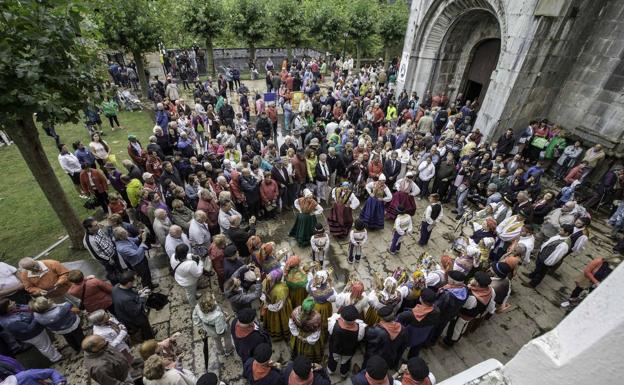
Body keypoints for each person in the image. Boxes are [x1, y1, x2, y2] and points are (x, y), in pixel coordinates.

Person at [443, 271, 496, 346]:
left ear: (477, 284)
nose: (473, 279)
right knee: (462, 326)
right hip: (472, 314)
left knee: (455, 328)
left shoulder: (473, 298)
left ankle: (450, 341)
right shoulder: (489, 290)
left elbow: (462, 305)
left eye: (475, 279)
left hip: (464, 315)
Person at [522, 224, 574, 288]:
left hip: (546, 261)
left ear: (566, 233)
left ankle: (533, 284)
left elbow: (556, 256)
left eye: (561, 230)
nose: (559, 230)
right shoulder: (559, 235)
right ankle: (532, 275)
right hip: (542, 255)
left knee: (540, 273)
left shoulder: (564, 244)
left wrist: (547, 263)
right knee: (537, 268)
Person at [193, 293, 234, 370]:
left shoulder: (198, 307)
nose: (214, 297)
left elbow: (195, 318)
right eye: (213, 298)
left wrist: (201, 326)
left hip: (210, 331)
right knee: (227, 337)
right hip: (220, 329)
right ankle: (229, 350)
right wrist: (227, 321)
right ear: (211, 304)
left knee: (217, 340)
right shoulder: (217, 315)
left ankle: (220, 351)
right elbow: (220, 331)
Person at [111, 271, 154, 340]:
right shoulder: (126, 299)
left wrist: (139, 292)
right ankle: (150, 338)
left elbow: (130, 292)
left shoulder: (116, 287)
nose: (136, 282)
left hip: (125, 313)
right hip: (134, 318)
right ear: (129, 283)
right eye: (135, 281)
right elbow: (136, 311)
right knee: (145, 328)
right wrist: (143, 298)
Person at [362, 305, 408, 369]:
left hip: (375, 356)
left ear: (381, 318)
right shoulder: (402, 328)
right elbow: (403, 345)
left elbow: (367, 338)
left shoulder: (377, 330)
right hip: (390, 356)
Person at [83, 217, 126, 284]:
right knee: (112, 273)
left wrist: (113, 246)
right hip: (107, 260)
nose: (98, 226)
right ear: (89, 228)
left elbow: (105, 237)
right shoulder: (89, 240)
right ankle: (117, 285)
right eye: (95, 225)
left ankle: (124, 280)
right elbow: (97, 255)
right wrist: (109, 259)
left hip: (113, 252)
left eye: (97, 223)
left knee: (119, 267)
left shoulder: (97, 229)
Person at [327, 305, 366, 377]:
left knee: (333, 359)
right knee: (345, 362)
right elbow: (359, 339)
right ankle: (343, 374)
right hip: (349, 350)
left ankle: (331, 370)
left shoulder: (333, 324)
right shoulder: (360, 328)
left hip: (335, 348)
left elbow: (330, 331)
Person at [430, 270, 468, 343]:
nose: (447, 279)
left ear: (453, 282)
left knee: (435, 328)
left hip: (440, 315)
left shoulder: (447, 294)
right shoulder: (464, 289)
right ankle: (434, 340)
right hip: (451, 314)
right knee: (441, 327)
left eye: (449, 278)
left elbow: (438, 306)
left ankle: (430, 341)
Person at [170, 243, 205, 309]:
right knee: (189, 293)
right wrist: (200, 262)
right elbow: (198, 273)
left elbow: (185, 257)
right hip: (188, 282)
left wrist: (191, 256)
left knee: (192, 290)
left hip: (180, 277)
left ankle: (195, 295)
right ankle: (194, 305)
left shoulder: (173, 256)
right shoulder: (190, 264)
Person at [289, 298, 323, 363]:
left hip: (299, 334)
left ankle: (299, 359)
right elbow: (317, 333)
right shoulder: (317, 318)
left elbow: (291, 324)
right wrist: (306, 339)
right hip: (309, 336)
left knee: (298, 349)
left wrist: (297, 335)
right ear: (312, 308)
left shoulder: (295, 311)